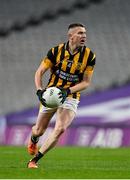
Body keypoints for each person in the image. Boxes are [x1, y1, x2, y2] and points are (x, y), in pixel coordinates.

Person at [27, 23, 96, 168]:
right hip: (51, 94)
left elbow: (86, 83)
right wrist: (40, 90)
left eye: (84, 33)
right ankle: (33, 139)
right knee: (39, 130)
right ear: (70, 36)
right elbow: (39, 72)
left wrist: (68, 91)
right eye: (80, 33)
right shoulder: (55, 51)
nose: (84, 36)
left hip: (70, 96)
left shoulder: (89, 56)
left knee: (60, 129)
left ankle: (34, 160)